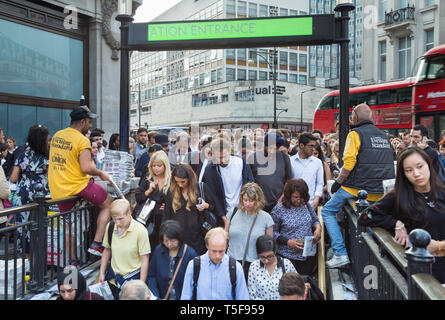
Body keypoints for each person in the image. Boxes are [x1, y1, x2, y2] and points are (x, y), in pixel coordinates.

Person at [322, 103, 395, 268]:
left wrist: (338, 182)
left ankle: (340, 253)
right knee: (368, 221)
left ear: (354, 117)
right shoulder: (384, 136)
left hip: (357, 188)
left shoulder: (355, 134)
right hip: (379, 191)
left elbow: (348, 163)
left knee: (327, 211)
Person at [359, 146, 445, 283]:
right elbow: (365, 216)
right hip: (419, 275)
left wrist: (439, 246)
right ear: (403, 174)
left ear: (429, 165)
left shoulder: (442, 192)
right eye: (409, 170)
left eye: (420, 166)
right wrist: (396, 224)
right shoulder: (398, 196)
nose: (416, 173)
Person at [48, 105, 113, 257]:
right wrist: (101, 173)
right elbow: (86, 168)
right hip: (77, 185)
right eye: (90, 122)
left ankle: (71, 265)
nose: (91, 126)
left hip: (58, 188)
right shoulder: (82, 141)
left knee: (69, 230)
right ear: (83, 122)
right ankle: (97, 244)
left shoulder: (57, 135)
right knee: (110, 204)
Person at [9, 125, 51, 252]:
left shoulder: (22, 155)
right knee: (40, 226)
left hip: (23, 195)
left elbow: (13, 178)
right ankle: (39, 261)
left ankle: (26, 261)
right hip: (41, 195)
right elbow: (52, 178)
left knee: (24, 227)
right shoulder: (47, 157)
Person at [99, 199, 151, 299]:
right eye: (114, 219)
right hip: (113, 279)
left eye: (120, 219)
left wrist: (141, 284)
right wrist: (101, 272)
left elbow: (145, 259)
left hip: (132, 281)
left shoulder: (140, 231)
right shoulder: (110, 227)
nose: (117, 223)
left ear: (129, 213)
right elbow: (107, 250)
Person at [180, 227, 250, 300]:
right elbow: (186, 296)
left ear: (226, 246)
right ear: (207, 246)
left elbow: (243, 297)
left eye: (221, 251)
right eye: (214, 251)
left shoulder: (235, 267)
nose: (217, 256)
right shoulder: (194, 265)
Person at [270, 179, 321, 275]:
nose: (298, 200)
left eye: (301, 197)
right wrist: (288, 242)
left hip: (307, 255)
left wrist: (318, 229)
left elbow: (315, 220)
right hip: (288, 257)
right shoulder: (279, 210)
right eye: (295, 197)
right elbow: (272, 232)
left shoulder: (306, 205)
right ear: (289, 196)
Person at [203, 138, 254, 229]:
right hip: (223, 214)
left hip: (243, 210)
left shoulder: (242, 162)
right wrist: (224, 218)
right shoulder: (210, 169)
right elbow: (213, 196)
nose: (222, 160)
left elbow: (250, 186)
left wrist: (247, 208)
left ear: (230, 151)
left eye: (225, 156)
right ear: (213, 154)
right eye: (219, 157)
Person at [226, 183, 274, 279]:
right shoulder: (233, 213)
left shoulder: (266, 218)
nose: (247, 203)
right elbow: (225, 238)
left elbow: (269, 246)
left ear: (258, 200)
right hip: (231, 262)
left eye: (251, 201)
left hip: (254, 265)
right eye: (245, 200)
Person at [163, 164, 213, 254]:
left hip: (197, 238)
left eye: (183, 182)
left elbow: (214, 207)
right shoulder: (171, 192)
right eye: (177, 182)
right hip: (177, 237)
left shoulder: (200, 188)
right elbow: (166, 216)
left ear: (190, 179)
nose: (180, 185)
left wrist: (206, 205)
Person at [148, 220, 198, 300]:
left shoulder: (190, 254)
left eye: (173, 241)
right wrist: (156, 295)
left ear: (179, 238)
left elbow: (195, 282)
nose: (169, 244)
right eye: (166, 241)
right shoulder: (159, 251)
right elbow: (151, 275)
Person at [135, 150, 171, 249]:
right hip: (148, 218)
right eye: (153, 166)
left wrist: (168, 205)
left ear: (165, 165)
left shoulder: (171, 180)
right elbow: (138, 198)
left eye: (159, 166)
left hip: (164, 217)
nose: (156, 168)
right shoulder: (148, 178)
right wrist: (149, 190)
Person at [248, 133, 292, 213]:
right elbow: (249, 182)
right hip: (258, 203)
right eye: (270, 148)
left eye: (275, 149)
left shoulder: (284, 157)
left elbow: (288, 180)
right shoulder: (253, 158)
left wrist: (282, 198)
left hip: (279, 203)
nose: (272, 151)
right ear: (265, 145)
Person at [248, 235, 297, 300]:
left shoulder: (286, 264)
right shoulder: (254, 266)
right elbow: (252, 294)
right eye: (262, 257)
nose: (266, 260)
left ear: (275, 251)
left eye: (270, 256)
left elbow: (296, 288)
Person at [290, 132, 324, 211]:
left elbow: (320, 183)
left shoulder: (317, 162)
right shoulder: (290, 161)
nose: (313, 149)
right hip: (293, 205)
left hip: (311, 205)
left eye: (314, 146)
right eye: (311, 146)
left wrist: (316, 200)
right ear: (301, 145)